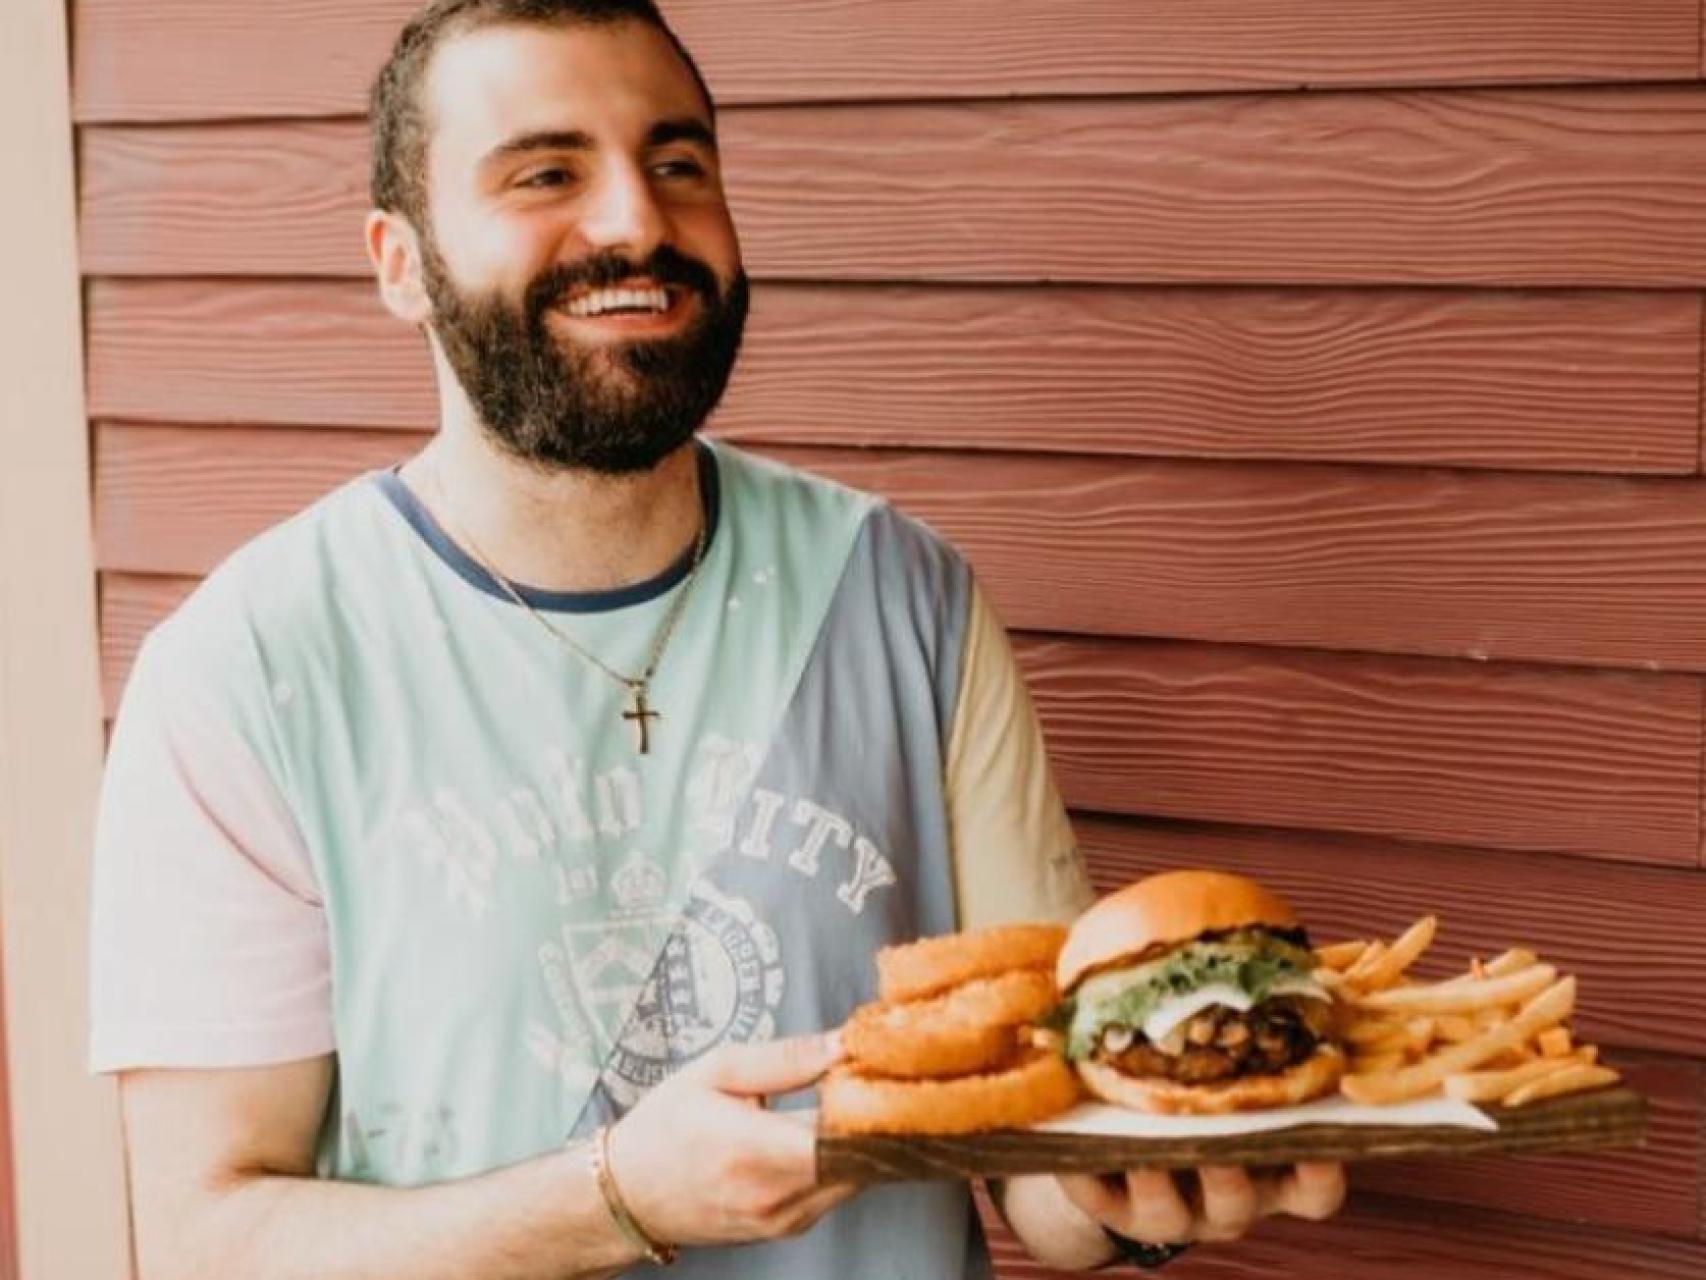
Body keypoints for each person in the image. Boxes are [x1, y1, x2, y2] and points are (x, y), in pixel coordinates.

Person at [88, 2, 1345, 1276]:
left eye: (677, 164)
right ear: (399, 260)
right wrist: (613, 1195)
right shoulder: (250, 667)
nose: (636, 222)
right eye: (546, 172)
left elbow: (1042, 1148)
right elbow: (207, 1239)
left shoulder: (901, 594)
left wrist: (1147, 1181)